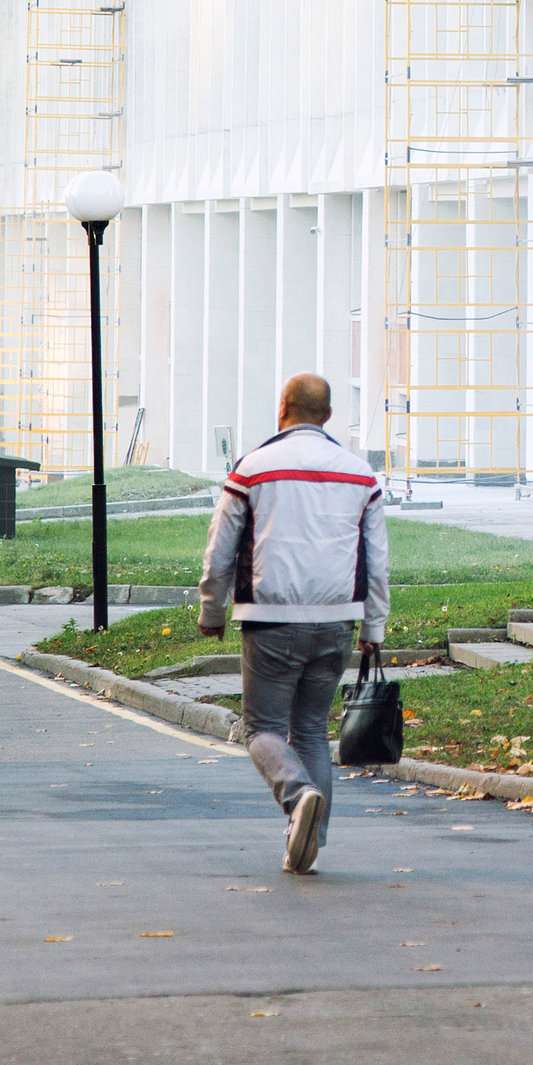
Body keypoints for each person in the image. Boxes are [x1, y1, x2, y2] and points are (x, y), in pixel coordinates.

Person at [199, 373, 390, 876]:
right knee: (308, 730)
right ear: (328, 416)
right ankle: (308, 843)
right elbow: (377, 559)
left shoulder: (254, 468)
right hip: (336, 624)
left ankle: (299, 796)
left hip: (270, 620)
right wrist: (374, 628)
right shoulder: (361, 474)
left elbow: (220, 548)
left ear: (282, 407)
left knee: (262, 728)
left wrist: (210, 609)